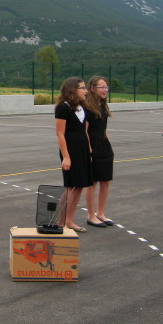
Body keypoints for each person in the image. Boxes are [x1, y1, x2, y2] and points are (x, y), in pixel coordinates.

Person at [55, 76, 93, 233]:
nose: (85, 91)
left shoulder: (82, 108)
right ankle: (60, 222)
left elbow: (84, 131)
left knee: (79, 186)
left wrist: (89, 150)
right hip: (70, 151)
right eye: (82, 88)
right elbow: (60, 134)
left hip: (82, 150)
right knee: (71, 186)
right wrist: (66, 157)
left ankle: (69, 221)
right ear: (72, 90)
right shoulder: (63, 108)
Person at [84, 76, 114, 228]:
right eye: (102, 87)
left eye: (106, 87)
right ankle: (91, 215)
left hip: (104, 145)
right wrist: (89, 150)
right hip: (93, 145)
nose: (105, 90)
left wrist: (107, 142)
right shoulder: (87, 107)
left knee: (105, 181)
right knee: (92, 182)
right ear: (92, 89)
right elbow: (85, 131)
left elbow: (104, 127)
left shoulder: (103, 105)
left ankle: (100, 213)